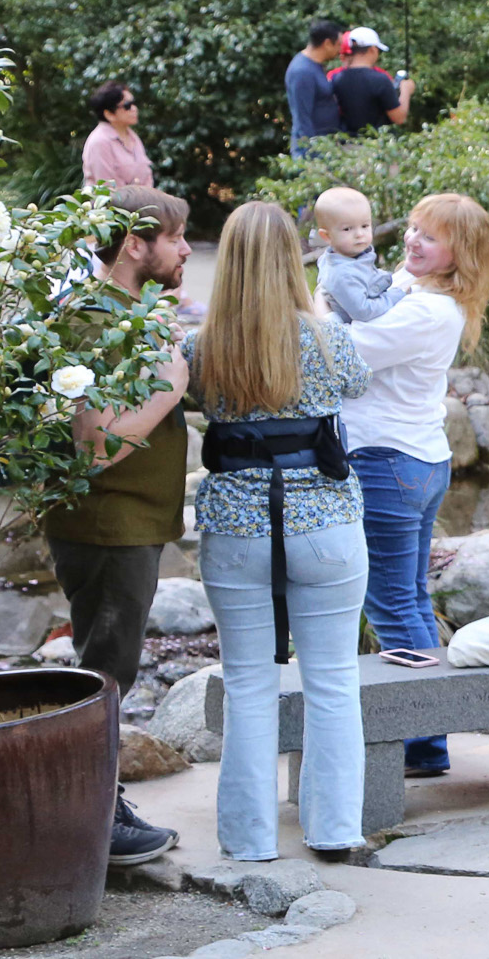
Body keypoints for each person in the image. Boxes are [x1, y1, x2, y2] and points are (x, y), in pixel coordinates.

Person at [187, 201, 371, 861]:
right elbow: (357, 382)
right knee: (331, 678)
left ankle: (249, 837)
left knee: (246, 681)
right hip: (322, 519)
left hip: (236, 523)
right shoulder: (327, 338)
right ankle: (334, 829)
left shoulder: (202, 346)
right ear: (293, 258)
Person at [50, 185, 193, 868]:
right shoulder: (88, 322)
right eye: (175, 237)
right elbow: (96, 444)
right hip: (107, 526)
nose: (188, 248)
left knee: (112, 668)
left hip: (130, 523)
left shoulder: (129, 313)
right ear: (135, 244)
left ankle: (100, 808)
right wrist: (172, 387)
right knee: (105, 672)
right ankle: (95, 823)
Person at [342, 193, 489, 778]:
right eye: (411, 228)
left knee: (389, 603)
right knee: (407, 597)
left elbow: (339, 354)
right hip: (414, 459)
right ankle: (425, 740)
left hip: (388, 462)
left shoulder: (427, 311)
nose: (411, 240)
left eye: (428, 237)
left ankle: (423, 743)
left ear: (460, 254)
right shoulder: (416, 293)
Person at [312, 186, 404, 323]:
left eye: (365, 226)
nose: (359, 234)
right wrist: (395, 296)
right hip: (355, 334)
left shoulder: (352, 256)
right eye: (347, 229)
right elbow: (363, 311)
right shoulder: (341, 274)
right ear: (326, 236)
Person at [329, 27, 413, 134]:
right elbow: (399, 118)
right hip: (376, 145)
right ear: (372, 49)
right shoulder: (381, 80)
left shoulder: (336, 79)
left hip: (347, 145)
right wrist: (406, 90)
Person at [285, 20, 345, 156]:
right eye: (339, 45)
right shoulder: (302, 71)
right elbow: (302, 118)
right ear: (327, 43)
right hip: (312, 153)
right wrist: (313, 155)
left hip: (325, 145)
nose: (340, 50)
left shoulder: (315, 66)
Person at [80, 83, 153, 188]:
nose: (134, 109)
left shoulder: (133, 137)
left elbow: (147, 179)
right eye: (127, 106)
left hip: (144, 202)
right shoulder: (99, 142)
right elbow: (108, 189)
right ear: (109, 114)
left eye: (133, 103)